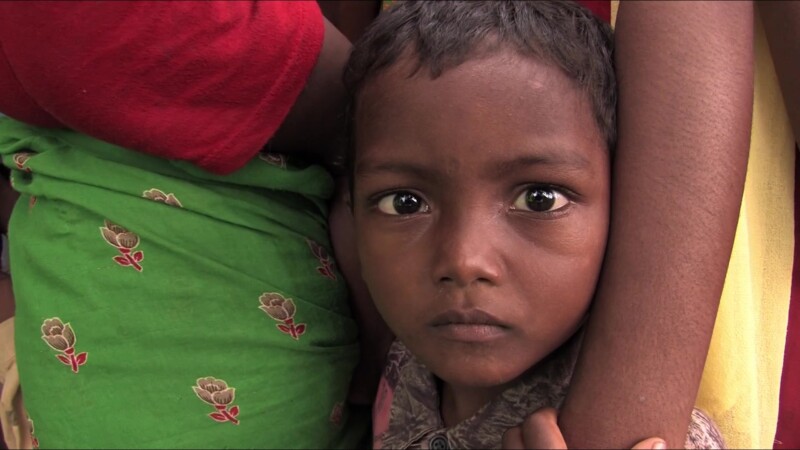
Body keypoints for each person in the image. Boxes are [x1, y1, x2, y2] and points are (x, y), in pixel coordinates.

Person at [343, 2, 724, 448]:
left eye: (539, 200)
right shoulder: (404, 364)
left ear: (620, 208)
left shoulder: (635, 419)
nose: (465, 261)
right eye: (405, 204)